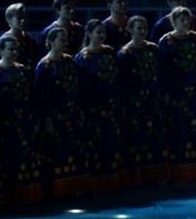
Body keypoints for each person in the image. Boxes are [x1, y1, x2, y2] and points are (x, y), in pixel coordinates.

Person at [34, 27, 91, 197]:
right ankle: (56, 190)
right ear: (51, 42)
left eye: (65, 39)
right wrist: (46, 119)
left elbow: (78, 88)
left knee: (73, 148)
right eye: (61, 39)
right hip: (54, 115)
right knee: (56, 151)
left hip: (71, 112)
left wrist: (79, 109)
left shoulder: (70, 61)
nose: (64, 42)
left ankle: (74, 186)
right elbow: (40, 97)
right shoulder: (44, 66)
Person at [158, 7, 196, 182]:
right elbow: (163, 70)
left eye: (187, 20)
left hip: (193, 90)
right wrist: (165, 92)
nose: (185, 23)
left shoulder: (195, 39)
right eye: (181, 20)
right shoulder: (166, 42)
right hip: (176, 92)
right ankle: (178, 168)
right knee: (178, 126)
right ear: (174, 21)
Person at [117, 16, 169, 185]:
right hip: (134, 102)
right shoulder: (124, 54)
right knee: (136, 137)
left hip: (152, 100)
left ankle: (156, 174)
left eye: (144, 28)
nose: (142, 31)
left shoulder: (154, 49)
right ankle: (136, 177)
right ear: (130, 30)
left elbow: (161, 74)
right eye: (138, 28)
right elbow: (123, 82)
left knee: (154, 136)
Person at [74, 20, 122, 194]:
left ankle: (110, 181)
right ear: (89, 34)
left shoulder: (109, 52)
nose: (101, 35)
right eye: (98, 32)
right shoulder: (82, 57)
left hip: (109, 105)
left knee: (110, 142)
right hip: (92, 107)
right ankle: (92, 184)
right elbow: (81, 86)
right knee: (93, 144)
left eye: (103, 32)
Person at [0, 35, 42, 205]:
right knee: (5, 160)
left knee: (24, 158)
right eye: (10, 49)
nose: (14, 52)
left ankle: (25, 196)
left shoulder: (23, 70)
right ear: (0, 51)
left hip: (23, 123)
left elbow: (33, 97)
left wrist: (35, 118)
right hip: (3, 125)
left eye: (16, 49)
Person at [0, 3, 40, 68]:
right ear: (9, 19)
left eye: (25, 17)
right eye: (19, 18)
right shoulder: (2, 42)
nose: (23, 20)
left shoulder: (29, 40)